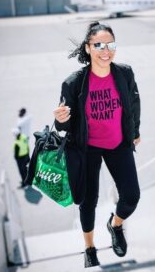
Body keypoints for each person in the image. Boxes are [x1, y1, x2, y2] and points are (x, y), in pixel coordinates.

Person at [53, 21, 141, 268]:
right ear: (88, 48)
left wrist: (135, 131)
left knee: (132, 196)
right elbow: (63, 125)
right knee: (87, 202)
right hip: (87, 148)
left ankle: (115, 224)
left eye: (110, 44)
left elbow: (133, 104)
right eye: (99, 44)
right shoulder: (73, 83)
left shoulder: (124, 73)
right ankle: (89, 248)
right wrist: (60, 121)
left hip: (118, 144)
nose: (106, 50)